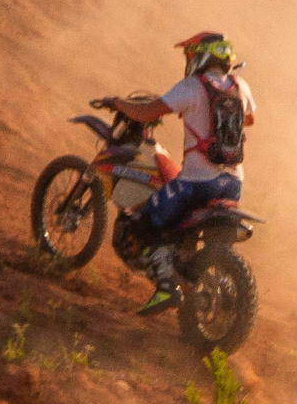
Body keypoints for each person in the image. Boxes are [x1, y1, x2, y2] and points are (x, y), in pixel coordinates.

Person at [104, 32, 258, 315]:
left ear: (201, 56)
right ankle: (184, 270)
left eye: (190, 55)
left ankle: (166, 287)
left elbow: (146, 113)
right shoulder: (240, 85)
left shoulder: (192, 86)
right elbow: (249, 118)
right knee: (174, 223)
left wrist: (117, 102)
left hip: (197, 183)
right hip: (233, 183)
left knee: (142, 222)